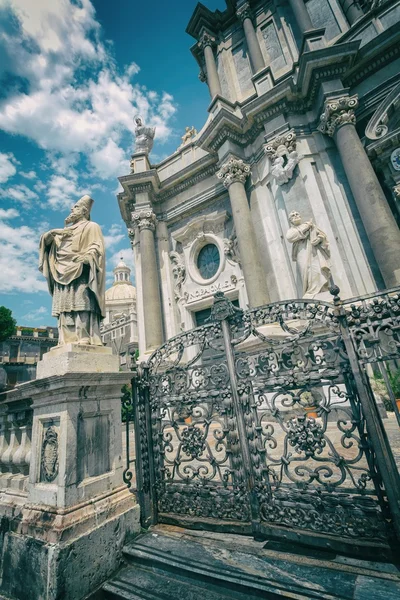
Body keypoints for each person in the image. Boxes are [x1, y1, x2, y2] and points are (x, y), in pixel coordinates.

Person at [39, 195, 106, 345]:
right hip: (61, 272)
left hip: (81, 270)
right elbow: (47, 244)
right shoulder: (63, 231)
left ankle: (84, 337)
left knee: (82, 301)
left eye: (75, 207)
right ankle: (66, 339)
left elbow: (96, 246)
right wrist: (51, 234)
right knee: (64, 306)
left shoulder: (91, 226)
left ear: (84, 211)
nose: (71, 209)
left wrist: (88, 257)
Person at [286, 211, 331, 299]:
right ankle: (310, 291)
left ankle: (321, 290)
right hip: (301, 253)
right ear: (290, 220)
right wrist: (306, 226)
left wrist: (319, 239)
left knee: (317, 270)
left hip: (313, 252)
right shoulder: (293, 230)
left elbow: (322, 236)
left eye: (297, 214)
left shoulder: (311, 226)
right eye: (293, 215)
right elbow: (290, 237)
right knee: (306, 271)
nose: (295, 216)